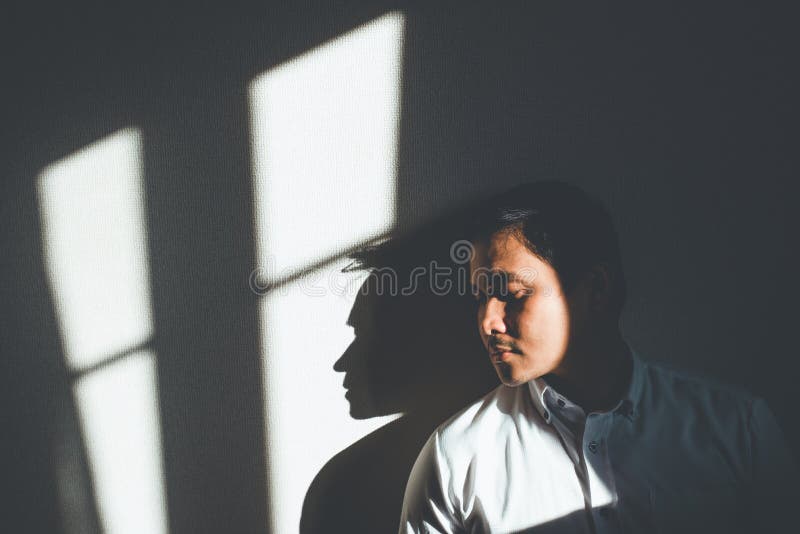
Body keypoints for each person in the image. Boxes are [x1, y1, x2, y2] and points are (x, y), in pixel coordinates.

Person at [398, 181, 797, 533]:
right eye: (480, 296)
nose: (487, 321)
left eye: (513, 293)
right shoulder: (457, 457)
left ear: (597, 289)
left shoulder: (737, 429)